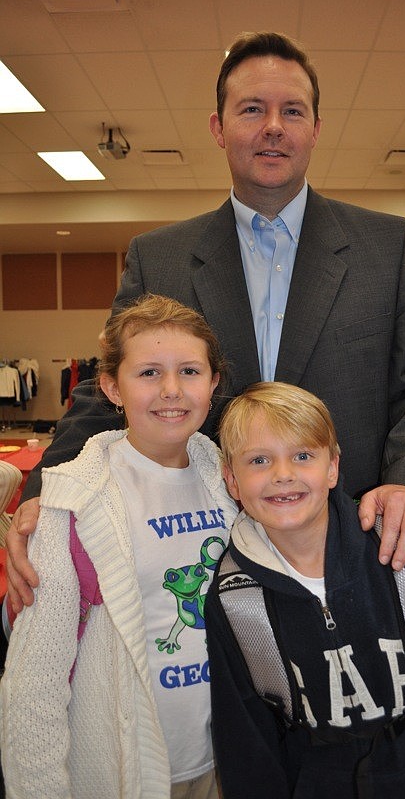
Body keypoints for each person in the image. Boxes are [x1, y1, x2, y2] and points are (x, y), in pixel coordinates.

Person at [6, 30, 405, 610]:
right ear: (219, 128)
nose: (273, 125)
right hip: (197, 554)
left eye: (291, 110)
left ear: (315, 129)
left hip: (355, 542)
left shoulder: (385, 246)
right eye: (252, 109)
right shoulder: (159, 258)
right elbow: (110, 392)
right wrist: (47, 491)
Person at [205, 382, 405, 799]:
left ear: (333, 467)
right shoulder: (235, 598)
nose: (283, 474)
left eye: (303, 455)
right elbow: (244, 737)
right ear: (232, 480)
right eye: (259, 460)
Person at [0, 294, 238, 799]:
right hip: (126, 771)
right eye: (149, 373)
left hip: (228, 761)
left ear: (214, 383)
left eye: (190, 372)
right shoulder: (73, 506)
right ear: (111, 386)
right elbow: (34, 685)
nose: (172, 391)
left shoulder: (233, 485)